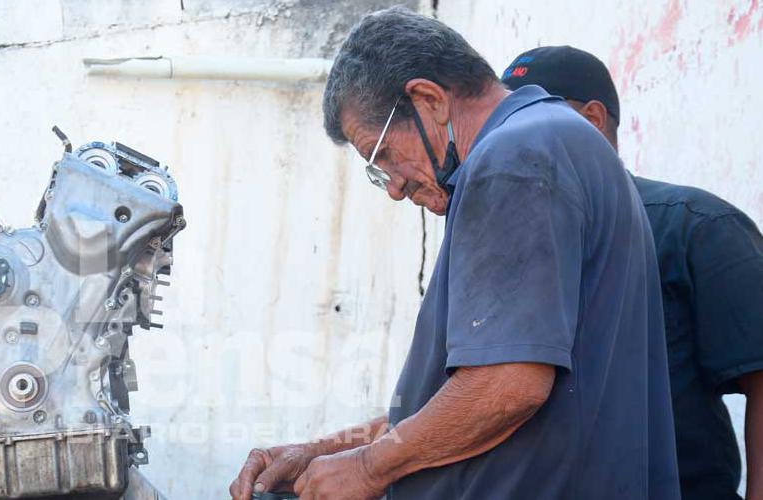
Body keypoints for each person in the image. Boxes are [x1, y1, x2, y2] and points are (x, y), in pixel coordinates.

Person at [228, 7, 680, 499]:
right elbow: (459, 406)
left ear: (428, 100)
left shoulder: (511, 160)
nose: (394, 187)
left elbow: (506, 385)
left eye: (382, 155)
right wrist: (323, 451)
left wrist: (366, 469)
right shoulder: (554, 139)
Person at [502, 45, 763, 500]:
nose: (510, 141)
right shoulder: (510, 245)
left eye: (529, 120)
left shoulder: (695, 226)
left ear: (591, 119)